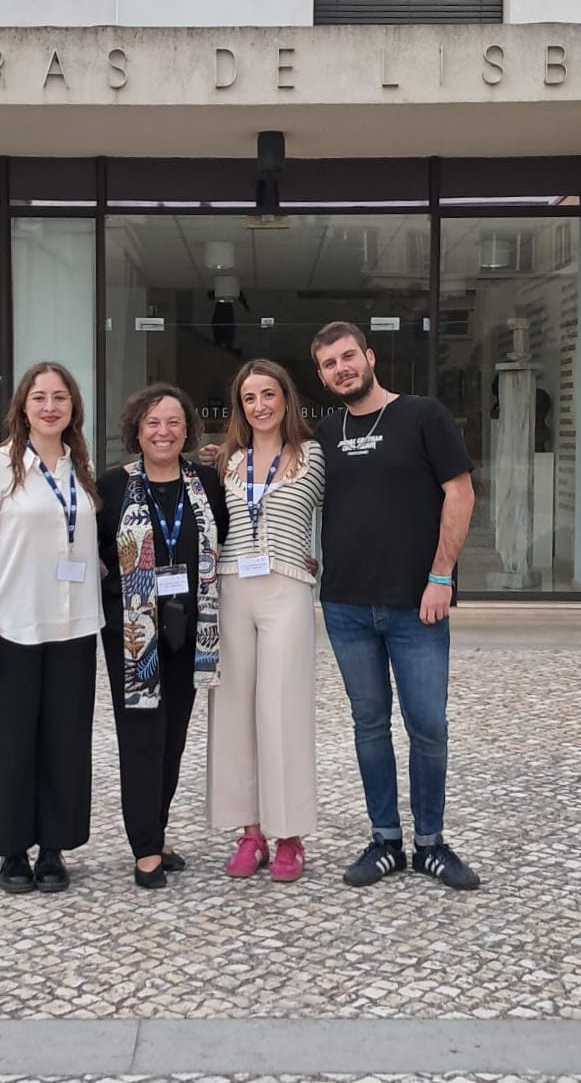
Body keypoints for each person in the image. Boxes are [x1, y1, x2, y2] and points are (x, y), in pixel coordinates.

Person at [311, 321, 480, 891]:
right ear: (322, 375)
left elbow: (460, 492)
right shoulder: (325, 434)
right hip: (346, 607)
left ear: (370, 356)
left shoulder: (422, 415)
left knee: (428, 726)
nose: (342, 368)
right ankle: (385, 838)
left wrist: (441, 577)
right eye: (330, 363)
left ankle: (430, 843)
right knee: (369, 724)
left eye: (348, 356)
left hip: (417, 607)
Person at [0, 361, 103, 895]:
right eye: (39, 397)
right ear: (22, 406)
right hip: (13, 624)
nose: (49, 406)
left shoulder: (80, 469)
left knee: (65, 742)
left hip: (74, 626)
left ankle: (54, 847)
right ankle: (12, 847)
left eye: (59, 397)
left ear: (72, 408)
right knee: (8, 741)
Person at [97, 384, 228, 889]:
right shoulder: (111, 486)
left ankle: (159, 830)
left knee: (174, 739)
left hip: (193, 630)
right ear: (136, 429)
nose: (163, 432)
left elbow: (233, 539)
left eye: (173, 423)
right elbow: (92, 554)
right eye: (153, 423)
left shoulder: (208, 483)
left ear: (188, 430)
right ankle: (145, 848)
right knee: (142, 739)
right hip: (134, 634)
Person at [208, 360, 325, 883]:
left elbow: (341, 513)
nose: (260, 405)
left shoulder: (313, 456)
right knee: (233, 709)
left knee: (283, 710)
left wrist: (318, 556)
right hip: (233, 586)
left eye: (269, 394)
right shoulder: (226, 462)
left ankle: (290, 835)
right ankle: (249, 830)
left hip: (287, 589)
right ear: (240, 405)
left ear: (285, 399)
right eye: (250, 397)